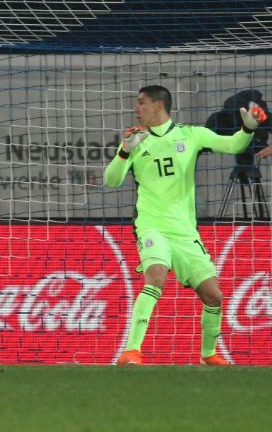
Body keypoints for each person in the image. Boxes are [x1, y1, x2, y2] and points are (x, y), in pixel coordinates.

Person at [104, 85, 264, 366]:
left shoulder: (191, 135)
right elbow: (111, 180)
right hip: (152, 226)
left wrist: (248, 129)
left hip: (185, 232)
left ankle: (209, 354)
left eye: (141, 103)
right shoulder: (136, 139)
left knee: (213, 296)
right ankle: (131, 351)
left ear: (158, 105)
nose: (136, 109)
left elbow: (232, 145)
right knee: (156, 277)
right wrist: (125, 152)